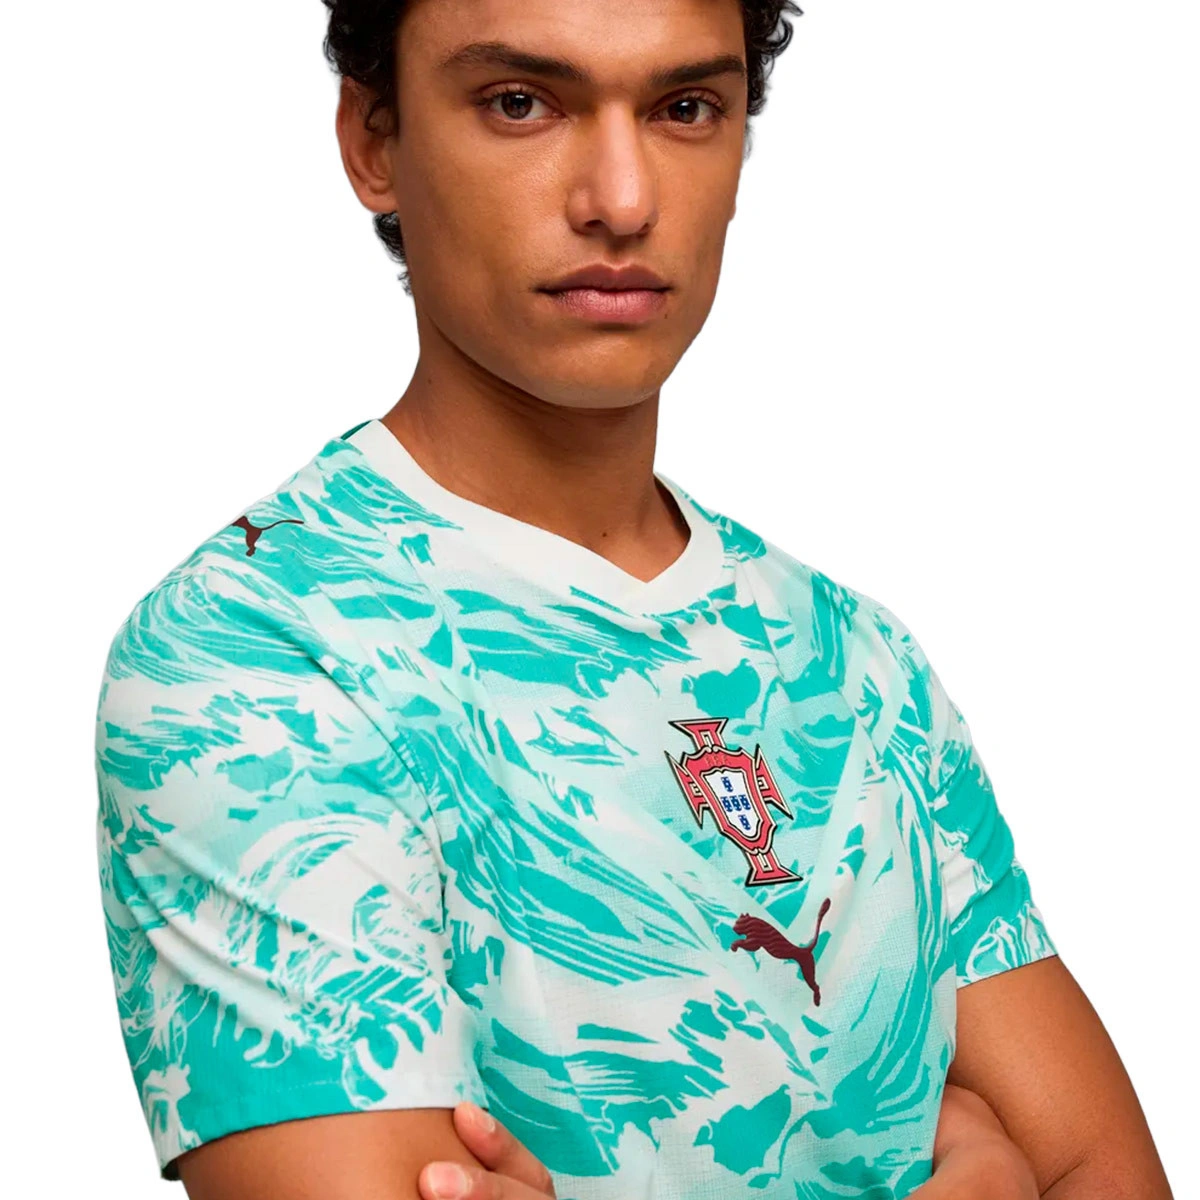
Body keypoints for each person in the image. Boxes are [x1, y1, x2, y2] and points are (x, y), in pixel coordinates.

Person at [92, 0, 1173, 1196]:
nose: (621, 197)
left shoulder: (860, 664)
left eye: (684, 108)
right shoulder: (249, 659)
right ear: (374, 140)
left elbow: (1107, 1169)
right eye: (521, 103)